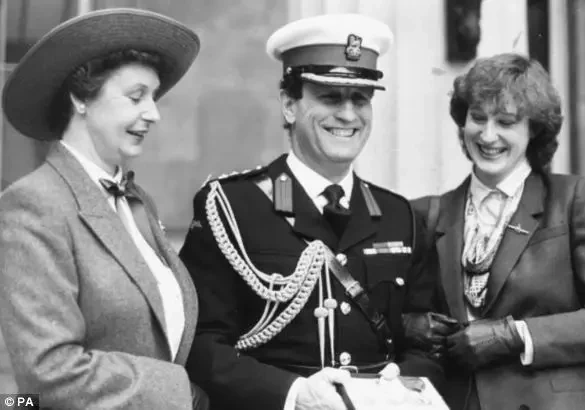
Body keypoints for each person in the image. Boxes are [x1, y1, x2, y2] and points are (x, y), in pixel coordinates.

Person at [180, 13, 443, 410]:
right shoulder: (232, 207)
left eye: (361, 99)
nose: (348, 115)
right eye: (330, 97)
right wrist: (293, 394)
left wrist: (400, 389)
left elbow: (429, 341)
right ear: (289, 105)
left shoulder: (399, 217)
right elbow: (200, 344)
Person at [0, 8, 208, 409]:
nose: (153, 113)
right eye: (136, 96)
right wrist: (179, 393)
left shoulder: (136, 200)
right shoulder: (32, 205)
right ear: (80, 98)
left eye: (154, 96)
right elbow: (50, 372)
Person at [408, 53, 585, 410]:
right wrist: (411, 326)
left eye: (506, 121)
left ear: (534, 128)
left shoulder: (571, 199)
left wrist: (514, 336)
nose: (488, 135)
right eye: (477, 118)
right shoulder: (427, 214)